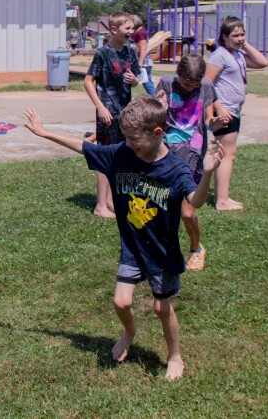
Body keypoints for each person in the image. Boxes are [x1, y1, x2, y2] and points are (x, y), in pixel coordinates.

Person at [23, 98, 223, 382]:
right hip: (132, 245)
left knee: (161, 308)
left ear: (156, 133)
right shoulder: (121, 154)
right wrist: (45, 133)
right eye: (125, 138)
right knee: (120, 301)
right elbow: (86, 147)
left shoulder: (175, 169)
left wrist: (208, 174)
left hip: (162, 252)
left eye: (133, 138)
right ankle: (129, 331)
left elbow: (197, 201)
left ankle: (175, 355)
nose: (128, 143)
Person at [154, 54, 227, 271]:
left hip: (193, 155)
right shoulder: (166, 83)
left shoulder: (205, 86)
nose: (190, 88)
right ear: (178, 75)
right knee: (162, 207)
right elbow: (155, 117)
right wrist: (161, 105)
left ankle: (196, 249)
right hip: (165, 153)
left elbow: (207, 120)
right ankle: (161, 249)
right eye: (186, 83)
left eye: (194, 84)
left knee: (187, 211)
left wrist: (213, 122)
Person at [203, 16, 268, 210]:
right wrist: (219, 108)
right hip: (224, 111)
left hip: (233, 111)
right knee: (226, 154)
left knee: (228, 153)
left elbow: (262, 62)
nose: (240, 38)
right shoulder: (220, 55)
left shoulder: (238, 54)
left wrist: (244, 44)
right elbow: (206, 84)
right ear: (224, 36)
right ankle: (222, 200)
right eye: (235, 35)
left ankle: (222, 197)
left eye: (242, 34)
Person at [84, 12, 140, 219]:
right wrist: (100, 106)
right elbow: (88, 81)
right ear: (114, 30)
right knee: (105, 156)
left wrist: (134, 81)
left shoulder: (131, 52)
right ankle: (100, 206)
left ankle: (110, 200)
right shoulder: (103, 53)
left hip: (125, 112)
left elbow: (136, 79)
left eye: (132, 28)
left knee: (121, 156)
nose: (131, 32)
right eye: (127, 28)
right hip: (107, 112)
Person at [132, 15, 156, 96]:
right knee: (147, 81)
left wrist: (140, 63)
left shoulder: (141, 32)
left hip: (144, 61)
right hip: (144, 61)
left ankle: (156, 99)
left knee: (146, 82)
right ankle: (156, 98)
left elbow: (143, 48)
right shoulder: (139, 32)